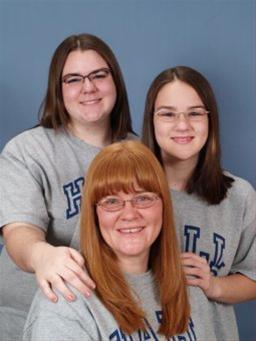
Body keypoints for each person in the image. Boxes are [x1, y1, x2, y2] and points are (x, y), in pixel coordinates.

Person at [0, 33, 135, 341]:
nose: (88, 87)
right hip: (26, 320)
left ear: (116, 81)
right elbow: (18, 233)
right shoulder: (28, 150)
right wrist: (41, 255)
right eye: (73, 79)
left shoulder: (138, 153)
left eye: (99, 75)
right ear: (58, 91)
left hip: (107, 323)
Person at [23, 140, 217, 341]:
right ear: (94, 213)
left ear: (164, 205)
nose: (129, 214)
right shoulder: (67, 297)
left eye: (143, 198)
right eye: (111, 202)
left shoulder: (189, 287)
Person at [142, 66, 256, 341]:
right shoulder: (126, 193)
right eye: (168, 114)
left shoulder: (238, 196)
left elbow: (253, 278)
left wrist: (214, 285)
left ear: (210, 120)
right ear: (152, 121)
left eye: (194, 113)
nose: (183, 125)